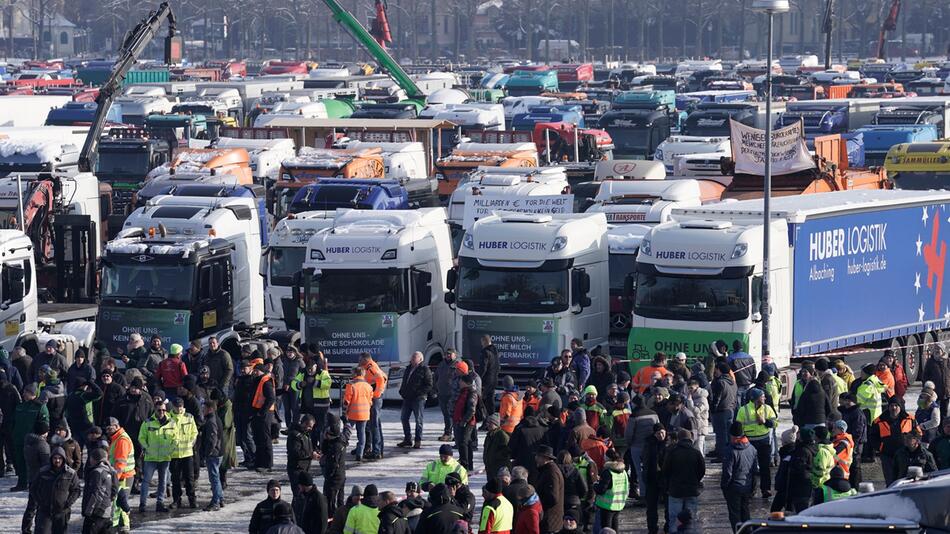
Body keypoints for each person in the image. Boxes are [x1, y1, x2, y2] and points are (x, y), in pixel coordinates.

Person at [21, 447, 81, 534]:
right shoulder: (43, 472)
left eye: (60, 458)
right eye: (55, 458)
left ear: (63, 459)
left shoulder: (70, 473)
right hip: (45, 511)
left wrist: (68, 503)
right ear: (51, 459)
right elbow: (34, 488)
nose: (57, 460)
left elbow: (76, 490)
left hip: (61, 512)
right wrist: (40, 501)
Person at [735, 387, 777, 498]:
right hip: (749, 443)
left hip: (764, 441)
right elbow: (738, 426)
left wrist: (765, 421)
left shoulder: (767, 408)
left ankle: (766, 489)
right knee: (750, 468)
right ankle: (750, 490)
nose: (764, 398)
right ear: (755, 398)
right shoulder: (743, 410)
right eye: (762, 396)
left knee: (765, 467)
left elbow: (774, 423)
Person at [663, 429, 705, 534]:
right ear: (690, 438)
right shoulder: (696, 453)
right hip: (691, 490)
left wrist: (669, 483)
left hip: (675, 490)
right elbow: (702, 470)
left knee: (674, 519)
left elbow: (665, 470)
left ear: (679, 439)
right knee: (691, 519)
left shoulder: (672, 452)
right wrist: (696, 481)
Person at [138, 398, 175, 513]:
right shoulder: (147, 422)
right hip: (151, 457)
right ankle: (142, 504)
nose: (162, 412)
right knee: (146, 481)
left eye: (164, 410)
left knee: (163, 481)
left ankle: (160, 503)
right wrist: (147, 448)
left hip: (165, 458)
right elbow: (141, 437)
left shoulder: (172, 423)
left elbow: (175, 438)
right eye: (159, 410)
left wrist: (171, 449)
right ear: (155, 410)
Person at [721, 422, 758, 533]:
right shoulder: (752, 448)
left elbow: (727, 473)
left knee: (735, 515)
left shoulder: (730, 450)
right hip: (747, 486)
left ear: (731, 434)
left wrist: (724, 486)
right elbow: (754, 470)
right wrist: (753, 487)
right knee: (745, 512)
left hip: (733, 488)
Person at [870, 399, 918, 485]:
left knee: (904, 479)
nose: (894, 408)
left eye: (896, 405)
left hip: (905, 454)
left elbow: (918, 434)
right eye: (891, 405)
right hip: (887, 455)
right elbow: (872, 437)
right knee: (890, 480)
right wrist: (881, 447)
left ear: (900, 407)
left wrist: (913, 446)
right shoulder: (879, 421)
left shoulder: (910, 419)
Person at [12, 384, 49, 491]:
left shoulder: (40, 406)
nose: (23, 394)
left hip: (32, 441)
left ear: (32, 393)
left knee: (33, 464)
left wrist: (41, 436)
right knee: (20, 462)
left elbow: (45, 424)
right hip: (18, 438)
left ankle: (35, 484)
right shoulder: (20, 406)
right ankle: (22, 482)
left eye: (26, 392)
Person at [291, 358, 331, 447]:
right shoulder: (302, 373)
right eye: (308, 368)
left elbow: (328, 383)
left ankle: (321, 446)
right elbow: (293, 383)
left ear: (315, 366)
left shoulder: (322, 373)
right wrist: (299, 384)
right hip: (308, 406)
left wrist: (314, 382)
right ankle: (312, 446)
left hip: (321, 407)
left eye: (311, 368)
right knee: (310, 428)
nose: (309, 370)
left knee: (321, 427)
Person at [398, 351, 432, 449]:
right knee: (404, 418)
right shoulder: (408, 368)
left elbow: (429, 385)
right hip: (407, 398)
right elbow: (405, 381)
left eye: (414, 357)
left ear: (420, 359)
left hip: (418, 399)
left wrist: (419, 393)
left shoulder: (424, 369)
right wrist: (402, 391)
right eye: (412, 357)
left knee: (418, 420)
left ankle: (418, 440)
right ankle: (407, 439)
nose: (412, 359)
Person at [169, 396, 198, 509]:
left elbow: (194, 432)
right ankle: (177, 500)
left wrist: (191, 443)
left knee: (189, 478)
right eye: (177, 407)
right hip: (174, 454)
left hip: (187, 453)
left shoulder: (189, 417)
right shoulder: (168, 418)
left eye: (181, 406)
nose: (179, 409)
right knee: (175, 479)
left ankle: (192, 499)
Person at [359, 352, 387, 460]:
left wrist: (375, 395)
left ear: (365, 360)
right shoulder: (369, 367)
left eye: (360, 360)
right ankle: (378, 449)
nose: (358, 362)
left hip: (375, 400)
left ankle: (377, 451)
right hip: (375, 399)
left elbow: (382, 379)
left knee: (374, 425)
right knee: (375, 425)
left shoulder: (371, 368)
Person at [82, 447, 117, 534]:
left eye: (90, 458)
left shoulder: (97, 472)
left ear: (94, 459)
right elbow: (115, 490)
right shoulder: (111, 470)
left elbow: (95, 493)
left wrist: (88, 511)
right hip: (106, 511)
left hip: (96, 513)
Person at [530, 445, 564, 533]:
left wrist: (539, 504)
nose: (535, 458)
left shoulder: (551, 472)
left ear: (545, 458)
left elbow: (553, 497)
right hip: (549, 518)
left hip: (549, 519)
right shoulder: (546, 470)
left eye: (538, 456)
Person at [593, 448, 627, 533]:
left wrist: (595, 485)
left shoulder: (608, 472)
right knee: (615, 528)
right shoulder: (623, 472)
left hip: (606, 505)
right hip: (618, 504)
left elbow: (602, 489)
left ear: (608, 458)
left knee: (606, 530)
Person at [250, 363, 277, 472]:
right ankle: (259, 462)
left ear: (261, 371)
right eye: (254, 370)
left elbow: (271, 398)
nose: (255, 372)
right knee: (258, 438)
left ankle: (267, 464)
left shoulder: (266, 381)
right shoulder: (257, 380)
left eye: (257, 370)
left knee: (265, 439)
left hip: (264, 413)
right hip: (257, 412)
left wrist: (262, 412)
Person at [340, 366, 370, 462]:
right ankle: (359, 454)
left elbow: (346, 401)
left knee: (346, 432)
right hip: (364, 413)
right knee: (362, 434)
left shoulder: (351, 385)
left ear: (355, 374)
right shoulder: (368, 386)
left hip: (352, 413)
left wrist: (344, 412)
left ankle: (341, 451)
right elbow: (370, 400)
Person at [642, 424, 668, 534]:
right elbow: (644, 458)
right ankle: (652, 528)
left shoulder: (669, 443)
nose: (661, 435)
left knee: (668, 506)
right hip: (652, 478)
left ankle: (668, 526)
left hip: (665, 479)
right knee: (651, 507)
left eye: (662, 432)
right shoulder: (649, 443)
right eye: (658, 433)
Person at [710, 362, 738, 461]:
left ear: (719, 370)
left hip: (721, 411)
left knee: (721, 434)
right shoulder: (733, 382)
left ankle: (721, 455)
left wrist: (713, 409)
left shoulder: (721, 382)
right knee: (728, 434)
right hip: (730, 409)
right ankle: (726, 453)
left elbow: (717, 398)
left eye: (716, 369)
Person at [793, 366, 835, 431]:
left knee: (809, 439)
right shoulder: (822, 393)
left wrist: (799, 421)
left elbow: (800, 409)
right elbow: (829, 408)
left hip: (808, 422)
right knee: (819, 439)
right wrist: (824, 418)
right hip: (821, 422)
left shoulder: (805, 394)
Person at [837, 393, 866, 487]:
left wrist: (853, 445)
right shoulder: (848, 411)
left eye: (849, 401)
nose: (846, 403)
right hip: (850, 442)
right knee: (851, 465)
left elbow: (858, 432)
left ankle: (857, 486)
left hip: (856, 443)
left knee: (855, 466)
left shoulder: (857, 413)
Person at [320, 413, 347, 515]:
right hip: (340, 475)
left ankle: (332, 518)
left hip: (335, 477)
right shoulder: (339, 440)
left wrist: (328, 475)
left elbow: (333, 464)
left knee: (331, 500)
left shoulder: (336, 446)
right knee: (339, 498)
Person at [201, 400, 224, 511]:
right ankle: (220, 498)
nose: (203, 410)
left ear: (210, 409)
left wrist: (208, 452)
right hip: (218, 453)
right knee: (216, 477)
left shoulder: (211, 421)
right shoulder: (215, 418)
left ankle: (216, 501)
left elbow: (212, 439)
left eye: (204, 408)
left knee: (214, 478)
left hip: (214, 454)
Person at [770, 426, 799, 513]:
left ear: (786, 441)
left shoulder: (788, 455)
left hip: (785, 489)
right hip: (788, 489)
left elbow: (783, 474)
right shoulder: (789, 452)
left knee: (775, 511)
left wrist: (778, 485)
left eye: (782, 439)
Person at [453, 372, 479, 470]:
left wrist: (464, 421)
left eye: (461, 381)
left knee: (464, 442)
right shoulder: (463, 391)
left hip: (467, 422)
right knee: (464, 442)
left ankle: (465, 464)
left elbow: (471, 409)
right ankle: (467, 463)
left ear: (466, 382)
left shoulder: (471, 393)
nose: (459, 382)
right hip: (460, 420)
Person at [287, 414, 316, 498]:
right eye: (310, 426)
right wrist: (310, 455)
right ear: (304, 423)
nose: (311, 429)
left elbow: (307, 448)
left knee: (303, 496)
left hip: (304, 469)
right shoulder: (295, 435)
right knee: (298, 496)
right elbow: (296, 452)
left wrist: (314, 452)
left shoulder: (305, 434)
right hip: (296, 469)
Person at [435, 350, 459, 442]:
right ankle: (448, 432)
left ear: (454, 355)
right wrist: (435, 388)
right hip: (442, 393)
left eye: (450, 354)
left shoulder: (457, 365)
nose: (448, 355)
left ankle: (448, 433)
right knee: (446, 414)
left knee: (451, 414)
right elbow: (436, 377)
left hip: (452, 394)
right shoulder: (441, 364)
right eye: (446, 354)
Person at [924, 345, 950, 417]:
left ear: (943, 351)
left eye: (939, 349)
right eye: (935, 349)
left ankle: (943, 427)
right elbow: (925, 377)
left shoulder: (947, 361)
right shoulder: (930, 362)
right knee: (935, 413)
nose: (937, 351)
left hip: (946, 392)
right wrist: (927, 389)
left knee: (944, 413)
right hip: (934, 393)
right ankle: (937, 427)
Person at [483, 413, 512, 480]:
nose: (488, 425)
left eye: (490, 423)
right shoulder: (489, 435)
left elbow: (507, 451)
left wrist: (495, 457)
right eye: (488, 422)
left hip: (499, 468)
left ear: (496, 424)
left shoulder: (502, 436)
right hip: (490, 467)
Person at [24, 420, 51, 488]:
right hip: (41, 478)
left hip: (31, 476)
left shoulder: (28, 441)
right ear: (44, 432)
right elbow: (46, 463)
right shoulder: (43, 445)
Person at [480, 335, 500, 416]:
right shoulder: (495, 352)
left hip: (486, 381)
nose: (481, 344)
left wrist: (478, 378)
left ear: (484, 341)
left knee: (483, 402)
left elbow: (483, 368)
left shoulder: (485, 352)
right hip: (494, 380)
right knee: (490, 401)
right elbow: (498, 366)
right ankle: (492, 419)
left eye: (481, 342)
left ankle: (486, 421)